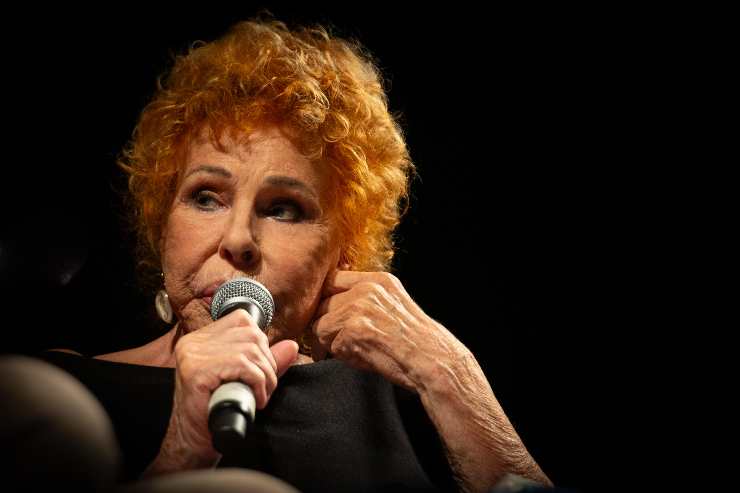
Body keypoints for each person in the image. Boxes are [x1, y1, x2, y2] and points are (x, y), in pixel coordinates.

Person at [3, 17, 556, 493]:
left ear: (343, 254)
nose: (238, 239)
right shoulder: (54, 398)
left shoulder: (404, 401)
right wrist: (185, 449)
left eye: (283, 209)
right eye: (206, 197)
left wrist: (449, 375)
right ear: (162, 220)